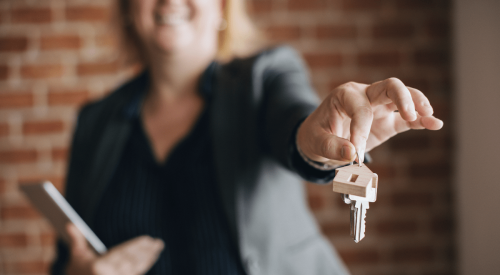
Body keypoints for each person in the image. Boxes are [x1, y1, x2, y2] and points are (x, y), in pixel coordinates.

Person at [51, 0, 444, 274]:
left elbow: (296, 129)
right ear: (127, 7)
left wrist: (316, 142)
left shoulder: (266, 77)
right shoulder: (95, 122)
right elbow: (69, 254)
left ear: (221, 5)